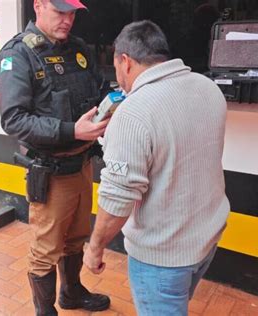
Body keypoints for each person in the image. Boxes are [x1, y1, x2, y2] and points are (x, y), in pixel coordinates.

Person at [83, 20, 230, 316]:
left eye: (116, 68)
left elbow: (117, 199)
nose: (119, 79)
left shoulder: (134, 112)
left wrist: (95, 248)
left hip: (162, 257)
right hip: (206, 239)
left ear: (125, 61)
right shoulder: (208, 87)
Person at [0, 0, 111, 315]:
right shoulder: (17, 55)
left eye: (72, 13)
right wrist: (73, 130)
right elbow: (14, 120)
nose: (68, 20)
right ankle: (45, 311)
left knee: (76, 237)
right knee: (46, 249)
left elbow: (100, 89)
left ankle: (71, 292)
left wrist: (111, 105)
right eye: (60, 12)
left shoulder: (78, 49)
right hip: (51, 171)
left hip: (83, 163)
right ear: (38, 6)